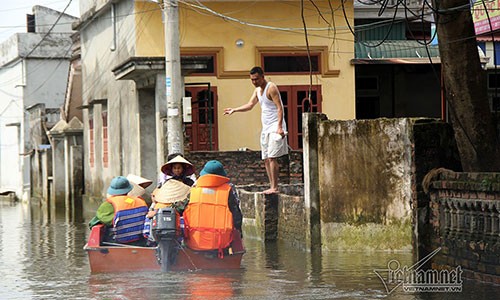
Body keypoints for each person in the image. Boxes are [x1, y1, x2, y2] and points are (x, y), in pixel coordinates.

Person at [224, 66, 288, 194]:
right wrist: (234, 110)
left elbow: (280, 108)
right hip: (265, 127)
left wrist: (280, 126)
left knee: (272, 157)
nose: (254, 82)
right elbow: (250, 105)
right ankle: (271, 185)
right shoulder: (257, 90)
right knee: (265, 158)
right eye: (252, 80)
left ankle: (275, 187)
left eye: (257, 79)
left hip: (275, 126)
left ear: (263, 77)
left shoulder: (271, 88)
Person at [182, 160, 243, 257]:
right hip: (220, 245)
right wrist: (239, 235)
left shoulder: (193, 191)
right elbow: (237, 217)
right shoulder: (228, 192)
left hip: (195, 243)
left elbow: (180, 209)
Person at [89, 176, 149, 245]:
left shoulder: (108, 204)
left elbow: (93, 223)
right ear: (129, 189)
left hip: (117, 242)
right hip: (140, 241)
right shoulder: (140, 201)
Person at [143, 179, 192, 246]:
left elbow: (146, 233)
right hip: (176, 246)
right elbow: (184, 234)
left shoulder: (153, 211)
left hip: (154, 246)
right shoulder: (181, 214)